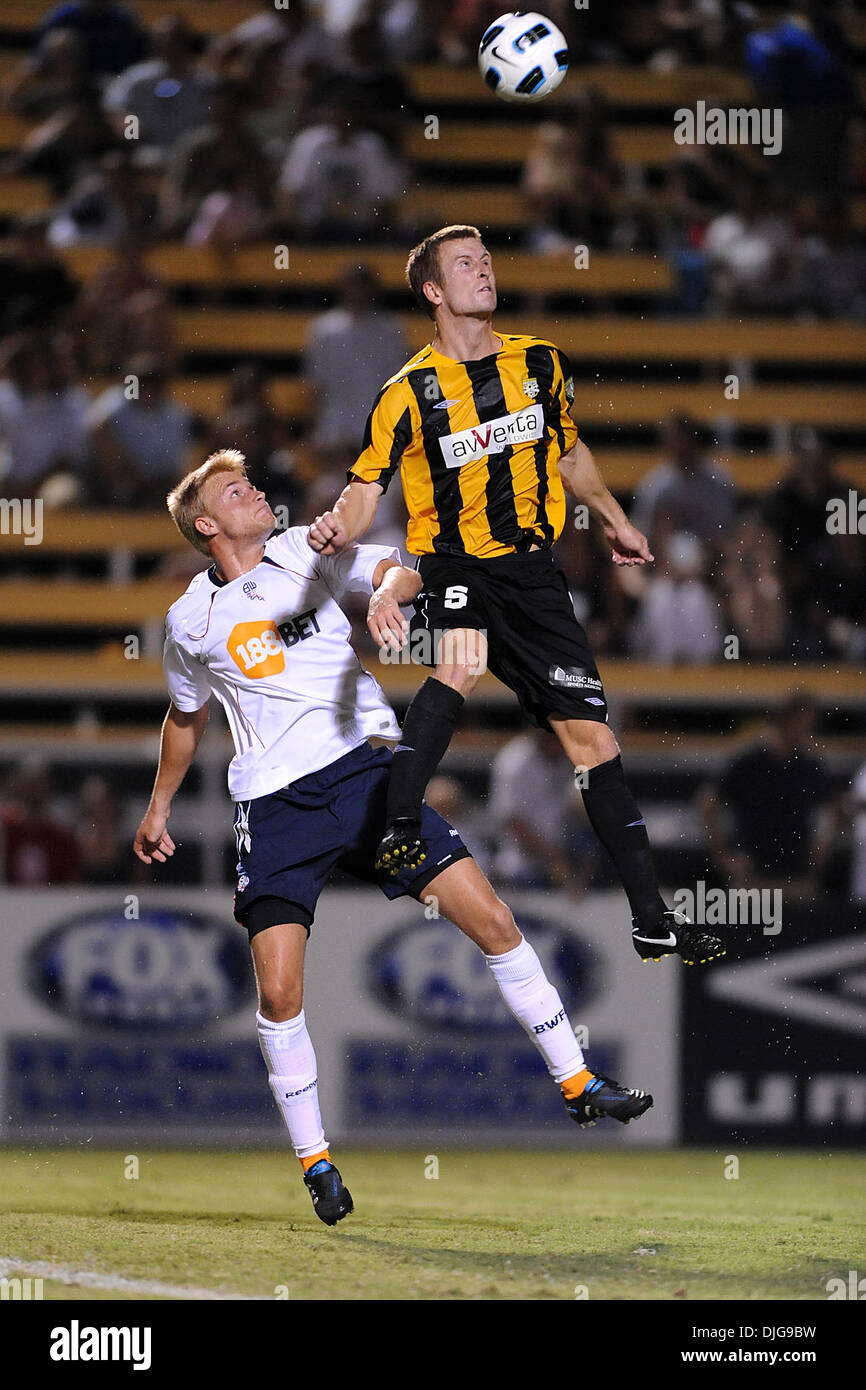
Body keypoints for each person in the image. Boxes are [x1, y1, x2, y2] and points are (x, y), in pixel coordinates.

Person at [134, 449, 654, 1225]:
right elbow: (187, 716)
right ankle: (316, 1161)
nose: (257, 494)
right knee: (279, 992)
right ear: (206, 524)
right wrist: (158, 809)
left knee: (494, 920)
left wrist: (386, 592)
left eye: (252, 483)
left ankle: (577, 1083)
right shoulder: (189, 619)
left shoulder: (304, 550)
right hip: (277, 807)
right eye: (237, 490)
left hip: (369, 773)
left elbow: (399, 566)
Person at [307, 224, 724, 968]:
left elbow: (567, 451)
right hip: (456, 561)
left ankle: (652, 919)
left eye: (488, 259)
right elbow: (367, 484)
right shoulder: (407, 393)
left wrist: (618, 521)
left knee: (593, 741)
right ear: (434, 291)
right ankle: (397, 826)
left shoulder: (539, 363)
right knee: (460, 662)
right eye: (465, 263)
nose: (484, 270)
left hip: (536, 577)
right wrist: (339, 527)